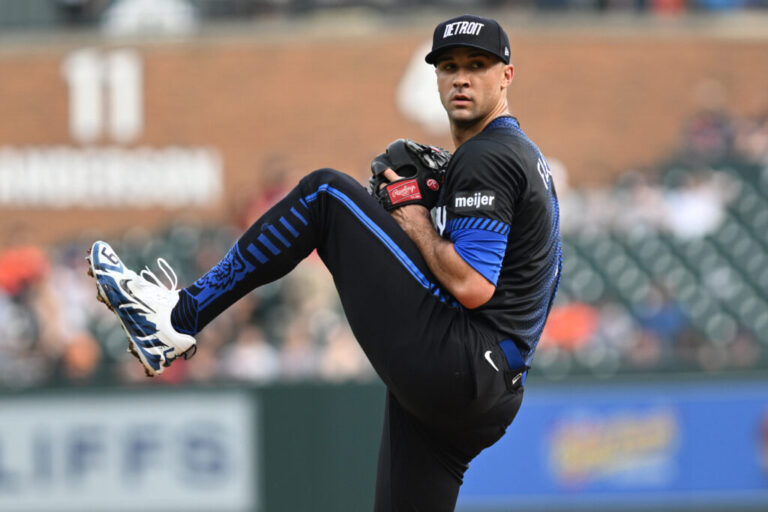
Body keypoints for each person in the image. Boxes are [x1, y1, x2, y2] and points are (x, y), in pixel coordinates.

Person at [87, 14, 561, 511]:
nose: (461, 77)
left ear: (507, 74)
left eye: (478, 65)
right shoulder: (520, 155)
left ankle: (175, 319)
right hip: (490, 388)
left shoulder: (489, 155)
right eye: (449, 66)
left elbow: (471, 284)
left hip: (463, 363)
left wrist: (414, 215)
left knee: (325, 194)